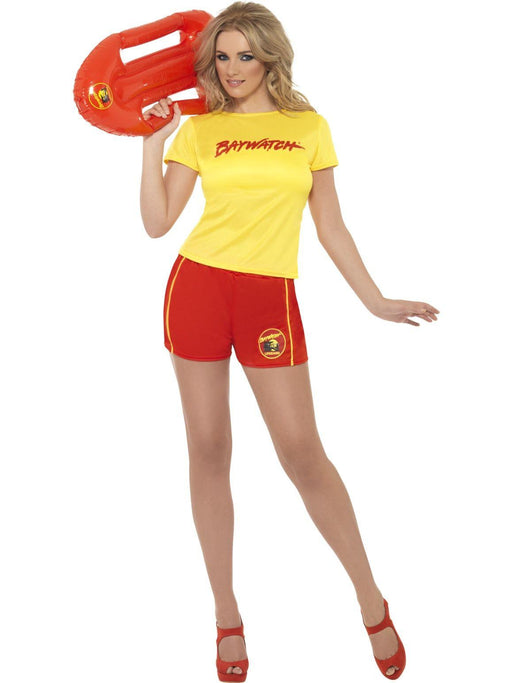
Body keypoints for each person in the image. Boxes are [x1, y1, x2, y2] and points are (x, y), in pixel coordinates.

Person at [140, 2, 439, 680]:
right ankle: (226, 615)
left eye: (245, 55)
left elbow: (330, 225)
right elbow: (158, 223)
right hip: (197, 288)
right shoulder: (202, 128)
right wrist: (153, 143)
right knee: (209, 449)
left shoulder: (309, 128)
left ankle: (371, 599)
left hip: (267, 298)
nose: (232, 68)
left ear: (270, 57)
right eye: (222, 56)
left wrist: (374, 300)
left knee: (302, 452)